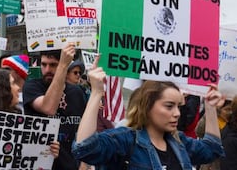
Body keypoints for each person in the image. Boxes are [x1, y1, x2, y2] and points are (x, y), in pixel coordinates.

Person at [72, 56, 225, 169]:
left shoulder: (179, 143)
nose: (177, 113)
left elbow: (212, 149)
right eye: (169, 106)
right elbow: (84, 148)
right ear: (147, 107)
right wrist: (96, 93)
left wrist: (210, 107)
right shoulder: (125, 140)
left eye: (179, 106)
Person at [23, 43, 86, 170]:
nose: (47, 70)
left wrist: (84, 163)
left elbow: (83, 131)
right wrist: (62, 64)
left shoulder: (77, 92)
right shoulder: (32, 87)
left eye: (53, 65)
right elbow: (48, 108)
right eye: (44, 64)